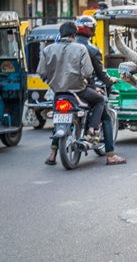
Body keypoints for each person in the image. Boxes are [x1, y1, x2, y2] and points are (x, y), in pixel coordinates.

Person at [37, 21, 104, 165]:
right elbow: (87, 72)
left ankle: (53, 155)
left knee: (58, 120)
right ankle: (91, 130)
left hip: (58, 93)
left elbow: (41, 72)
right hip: (78, 91)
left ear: (60, 33)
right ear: (74, 34)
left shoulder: (48, 49)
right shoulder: (80, 48)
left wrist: (51, 81)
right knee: (99, 101)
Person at [75, 15, 127, 165]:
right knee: (104, 112)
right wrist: (110, 81)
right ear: (92, 31)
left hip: (61, 89)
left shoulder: (64, 47)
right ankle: (110, 154)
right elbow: (100, 74)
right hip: (83, 89)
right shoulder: (91, 50)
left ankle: (53, 151)